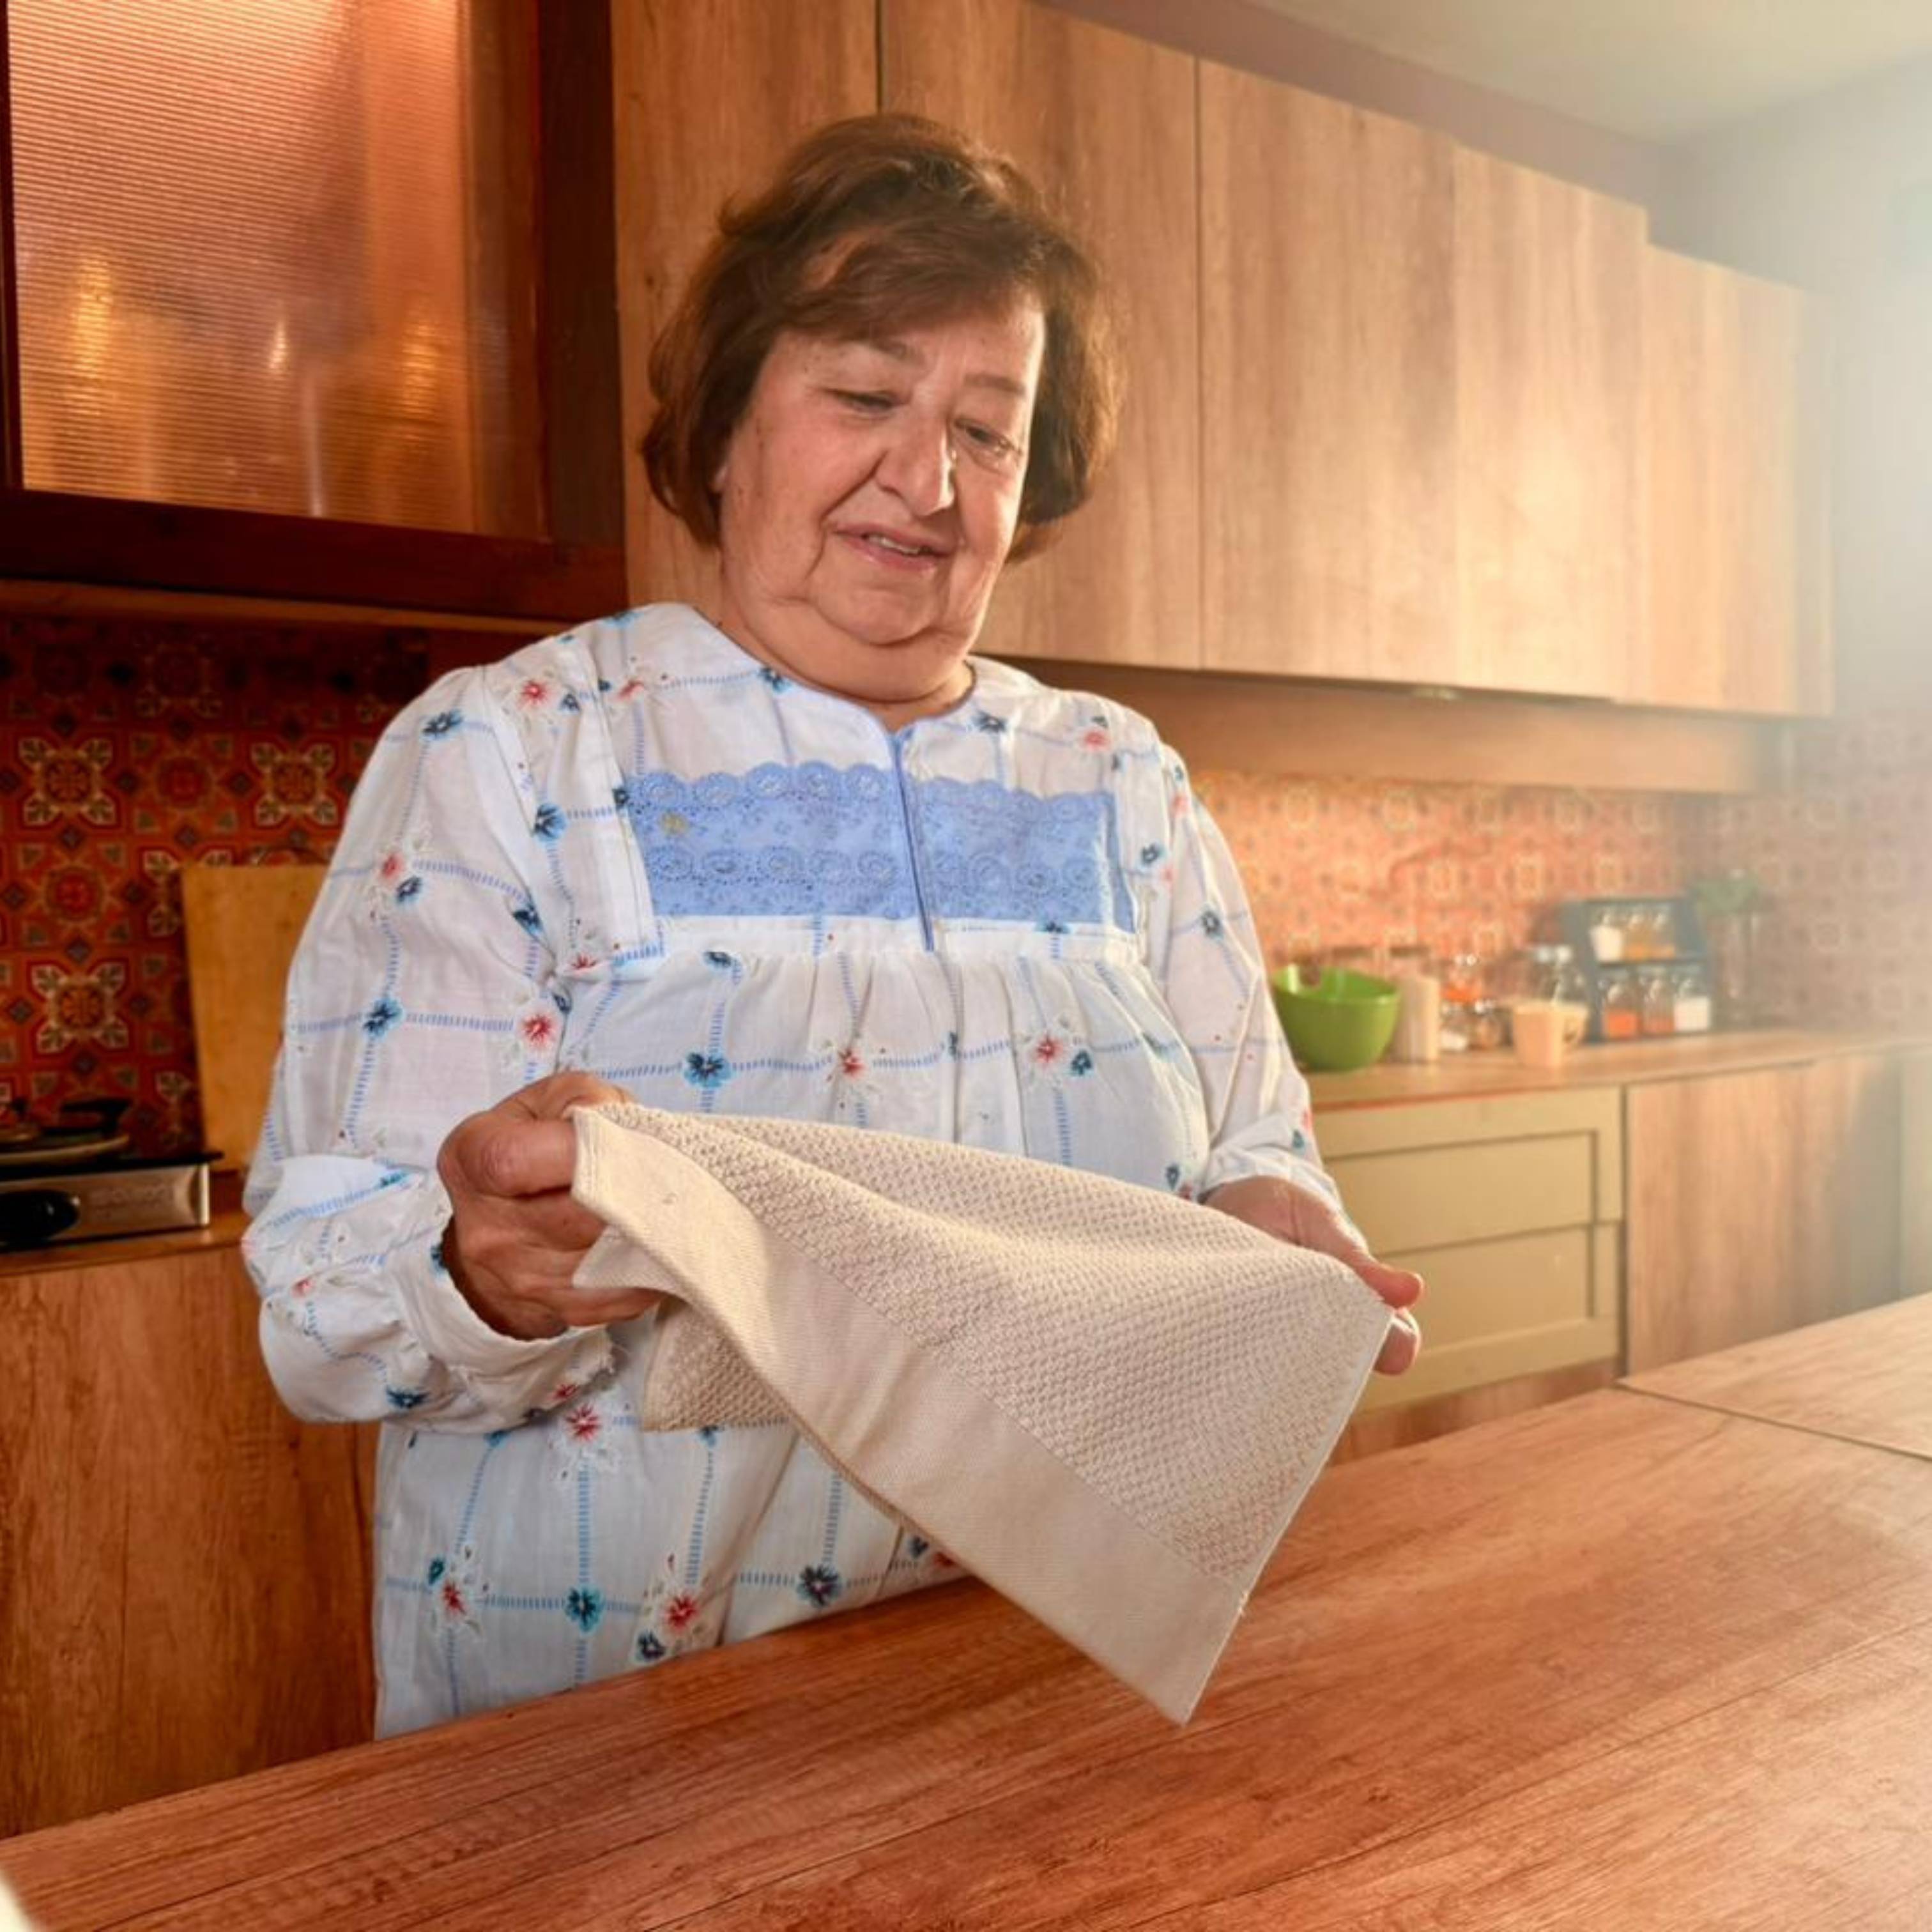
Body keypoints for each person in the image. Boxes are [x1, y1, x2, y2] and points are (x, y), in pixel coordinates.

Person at [243, 113, 1423, 1737]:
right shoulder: (514, 748)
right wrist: (476, 1270)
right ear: (727, 424)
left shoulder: (1116, 778)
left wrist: (1268, 1218)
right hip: (609, 1730)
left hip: (1041, 1683)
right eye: (866, 397)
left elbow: (1251, 1143)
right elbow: (321, 1312)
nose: (926, 484)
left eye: (988, 433)